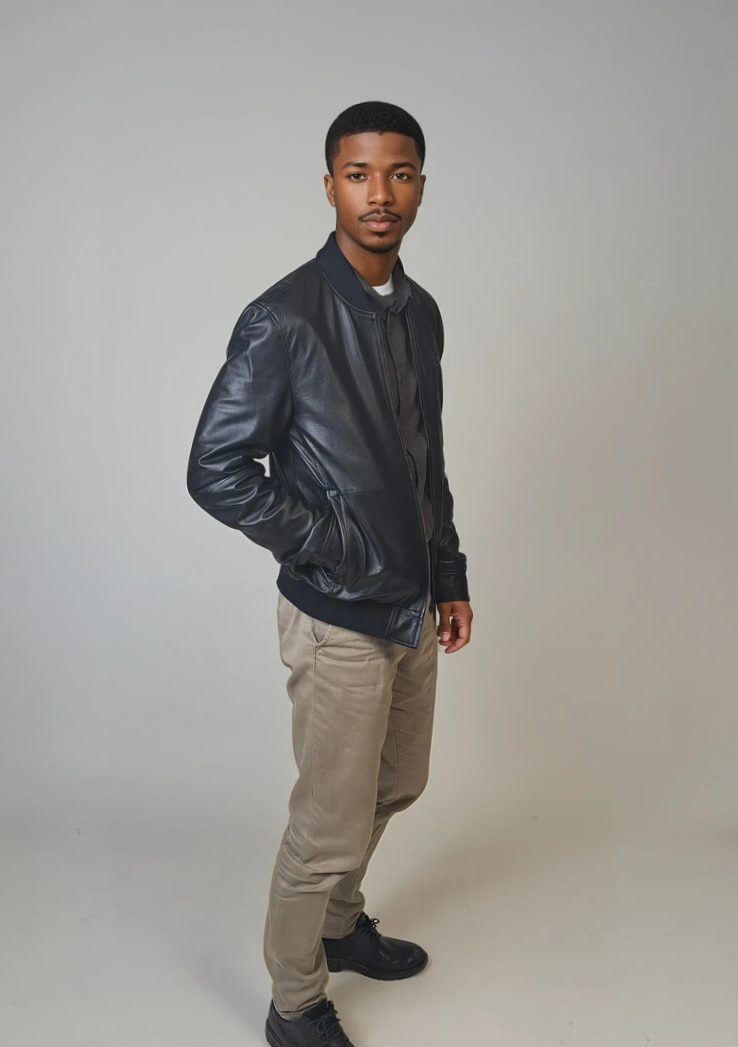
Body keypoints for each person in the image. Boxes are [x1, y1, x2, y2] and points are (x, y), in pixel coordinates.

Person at [187, 100, 472, 1047]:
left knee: (398, 784)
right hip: (338, 613)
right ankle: (294, 998)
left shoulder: (419, 313)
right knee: (327, 826)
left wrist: (448, 571)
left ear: (419, 186)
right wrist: (335, 544)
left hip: (412, 607)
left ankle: (341, 926)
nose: (379, 193)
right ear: (329, 187)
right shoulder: (283, 317)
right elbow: (215, 468)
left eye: (398, 173)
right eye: (358, 175)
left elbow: (424, 459)